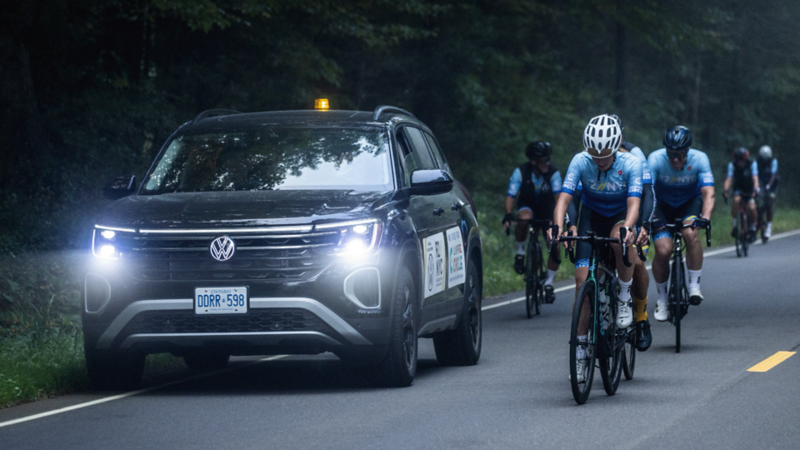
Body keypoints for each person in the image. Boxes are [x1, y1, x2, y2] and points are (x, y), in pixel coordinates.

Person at [550, 114, 643, 382]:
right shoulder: (580, 160)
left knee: (618, 239)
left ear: (616, 148)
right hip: (591, 218)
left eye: (605, 156)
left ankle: (624, 298)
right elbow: (564, 199)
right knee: (582, 285)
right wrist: (559, 226)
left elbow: (635, 202)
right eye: (595, 156)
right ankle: (579, 352)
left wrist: (630, 226)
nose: (599, 161)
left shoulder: (631, 164)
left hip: (618, 217)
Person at [565, 115, 654, 351]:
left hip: (628, 215)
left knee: (635, 262)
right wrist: (570, 223)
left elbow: (646, 194)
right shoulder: (588, 161)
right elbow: (573, 195)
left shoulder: (635, 157)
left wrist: (644, 225)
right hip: (595, 216)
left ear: (620, 136)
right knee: (585, 278)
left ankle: (641, 318)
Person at [648, 126, 715, 322]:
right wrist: (650, 217)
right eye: (671, 154)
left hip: (689, 205)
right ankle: (662, 299)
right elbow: (647, 193)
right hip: (661, 206)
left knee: (690, 234)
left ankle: (694, 285)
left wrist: (706, 217)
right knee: (663, 250)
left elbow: (708, 192)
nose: (675, 159)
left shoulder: (700, 159)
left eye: (679, 155)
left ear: (687, 152)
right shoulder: (655, 159)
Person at [502, 141, 562, 303]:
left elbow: (559, 199)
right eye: (543, 160)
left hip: (548, 210)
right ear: (533, 160)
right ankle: (521, 253)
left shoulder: (553, 173)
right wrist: (508, 214)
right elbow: (510, 196)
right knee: (523, 219)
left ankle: (549, 283)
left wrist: (557, 220)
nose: (547, 163)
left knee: (555, 242)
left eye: (548, 159)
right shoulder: (520, 172)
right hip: (528, 206)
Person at [723, 147, 759, 242]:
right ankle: (735, 225)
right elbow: (729, 178)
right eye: (738, 161)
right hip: (738, 188)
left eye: (742, 161)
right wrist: (726, 190)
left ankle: (753, 228)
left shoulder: (752, 163)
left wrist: (755, 190)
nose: (740, 163)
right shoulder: (732, 164)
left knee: (752, 208)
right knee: (736, 201)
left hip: (750, 188)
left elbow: (755, 178)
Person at [756, 145, 778, 239]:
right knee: (756, 200)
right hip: (760, 183)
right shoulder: (757, 161)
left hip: (772, 185)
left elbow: (773, 175)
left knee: (769, 203)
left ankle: (769, 226)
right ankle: (757, 221)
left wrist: (769, 185)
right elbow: (755, 174)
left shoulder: (773, 161)